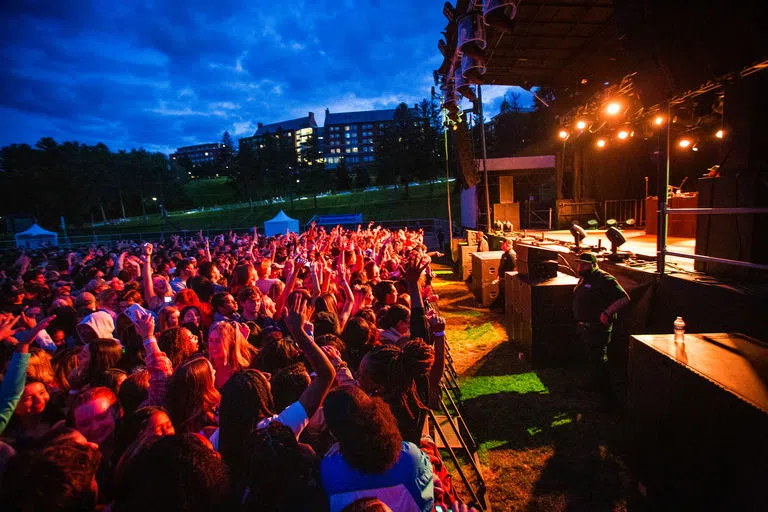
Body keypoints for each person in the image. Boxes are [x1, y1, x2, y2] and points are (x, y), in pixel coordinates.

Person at [572, 252, 630, 400]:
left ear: (593, 265)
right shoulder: (585, 278)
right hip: (586, 326)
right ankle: (594, 383)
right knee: (592, 358)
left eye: (584, 264)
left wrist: (607, 313)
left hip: (598, 327)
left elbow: (624, 298)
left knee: (599, 360)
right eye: (579, 263)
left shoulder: (605, 279)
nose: (581, 266)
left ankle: (608, 398)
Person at [491, 239, 516, 310]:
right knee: (502, 294)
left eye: (503, 244)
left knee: (505, 295)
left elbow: (514, 268)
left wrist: (508, 278)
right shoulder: (505, 254)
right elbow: (501, 267)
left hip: (506, 279)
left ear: (507, 245)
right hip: (502, 279)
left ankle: (503, 310)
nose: (501, 246)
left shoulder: (511, 255)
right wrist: (498, 276)